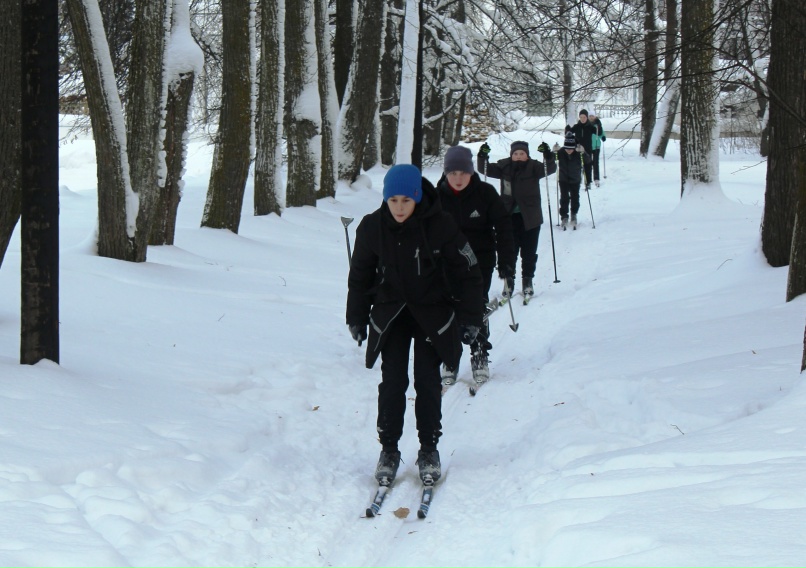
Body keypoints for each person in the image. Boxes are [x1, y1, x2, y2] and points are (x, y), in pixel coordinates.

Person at [346, 164, 484, 488]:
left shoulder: (441, 226)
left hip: (431, 314)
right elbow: (360, 277)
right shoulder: (371, 228)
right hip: (391, 314)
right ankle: (389, 450)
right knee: (393, 382)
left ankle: (429, 449)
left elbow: (469, 273)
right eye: (393, 200)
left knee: (427, 382)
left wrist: (471, 319)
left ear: (418, 198)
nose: (399, 207)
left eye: (406, 201)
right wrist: (356, 317)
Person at [434, 145, 516, 387]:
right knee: (448, 308)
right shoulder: (436, 198)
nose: (458, 179)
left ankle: (480, 352)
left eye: (463, 173)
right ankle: (450, 357)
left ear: (471, 172)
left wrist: (507, 263)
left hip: (480, 261)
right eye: (453, 173)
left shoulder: (486, 194)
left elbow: (504, 228)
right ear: (446, 174)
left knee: (475, 305)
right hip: (447, 263)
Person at [477, 140, 556, 302]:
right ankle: (509, 281)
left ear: (527, 155)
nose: (519, 157)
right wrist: (482, 156)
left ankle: (527, 280)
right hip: (508, 217)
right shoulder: (504, 166)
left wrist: (548, 155)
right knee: (509, 251)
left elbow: (550, 168)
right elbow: (484, 169)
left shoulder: (534, 167)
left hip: (531, 217)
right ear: (511, 155)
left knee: (529, 251)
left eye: (522, 154)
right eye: (516, 154)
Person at [553, 132, 590, 230]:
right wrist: (553, 151)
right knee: (564, 198)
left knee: (575, 197)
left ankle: (574, 214)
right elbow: (552, 159)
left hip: (575, 179)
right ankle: (564, 216)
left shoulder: (578, 152)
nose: (568, 150)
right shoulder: (561, 152)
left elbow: (588, 161)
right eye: (566, 148)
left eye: (571, 148)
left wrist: (583, 152)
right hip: (563, 178)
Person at [568, 109, 597, 190]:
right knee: (577, 166)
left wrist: (598, 125)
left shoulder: (590, 126)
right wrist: (568, 130)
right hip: (578, 149)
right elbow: (569, 133)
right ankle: (577, 181)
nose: (582, 119)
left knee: (587, 166)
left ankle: (588, 183)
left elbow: (598, 132)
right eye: (581, 117)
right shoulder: (577, 126)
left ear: (587, 117)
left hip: (587, 149)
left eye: (584, 117)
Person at [589, 112, 606, 187]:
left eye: (592, 116)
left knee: (595, 163)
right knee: (588, 163)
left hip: (596, 145)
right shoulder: (587, 124)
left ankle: (596, 178)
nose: (591, 117)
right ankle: (588, 178)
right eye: (590, 116)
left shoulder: (598, 124)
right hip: (588, 145)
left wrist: (603, 136)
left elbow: (602, 132)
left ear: (595, 117)